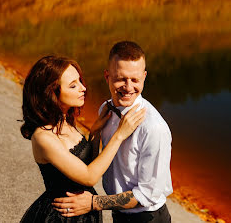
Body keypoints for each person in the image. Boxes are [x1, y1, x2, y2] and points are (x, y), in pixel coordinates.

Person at [53, 41, 173, 223]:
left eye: (135, 80)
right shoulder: (106, 109)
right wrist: (94, 135)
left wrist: (94, 202)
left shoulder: (153, 128)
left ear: (144, 77)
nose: (128, 87)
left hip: (147, 219)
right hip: (119, 214)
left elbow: (147, 195)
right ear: (107, 76)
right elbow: (97, 163)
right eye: (121, 79)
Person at [20, 55, 145, 222]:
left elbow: (86, 165)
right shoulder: (43, 137)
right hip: (62, 215)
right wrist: (120, 135)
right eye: (73, 85)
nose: (83, 88)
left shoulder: (64, 120)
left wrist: (95, 134)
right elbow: (89, 177)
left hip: (84, 208)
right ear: (51, 93)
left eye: (79, 81)